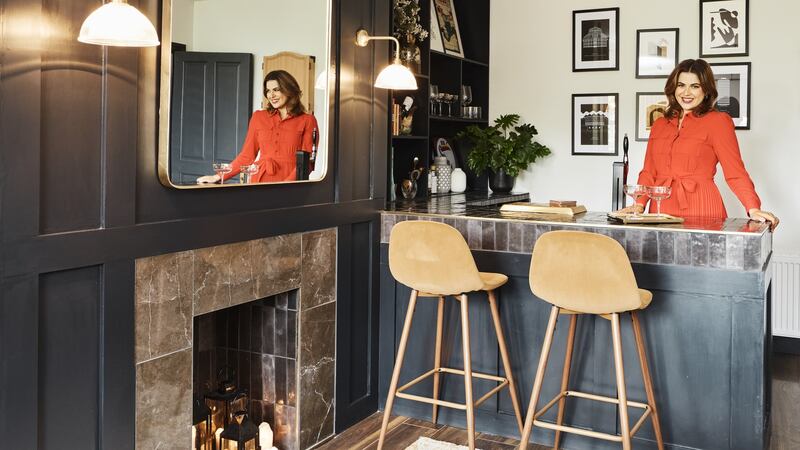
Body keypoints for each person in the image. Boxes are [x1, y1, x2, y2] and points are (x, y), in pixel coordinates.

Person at [617, 59, 778, 229]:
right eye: (681, 85)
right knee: (662, 254)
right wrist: (640, 204)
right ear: (674, 87)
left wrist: (753, 208)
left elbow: (735, 172)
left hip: (702, 205)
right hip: (661, 208)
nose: (686, 92)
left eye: (695, 86)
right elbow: (649, 172)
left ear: (706, 90)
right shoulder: (659, 125)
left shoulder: (718, 122)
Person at [197, 70, 318, 184]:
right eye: (268, 91)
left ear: (289, 90)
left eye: (276, 90)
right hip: (259, 180)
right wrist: (218, 176)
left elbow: (308, 163)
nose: (271, 95)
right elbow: (246, 156)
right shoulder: (258, 117)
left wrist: (285, 186)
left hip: (291, 183)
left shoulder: (308, 120)